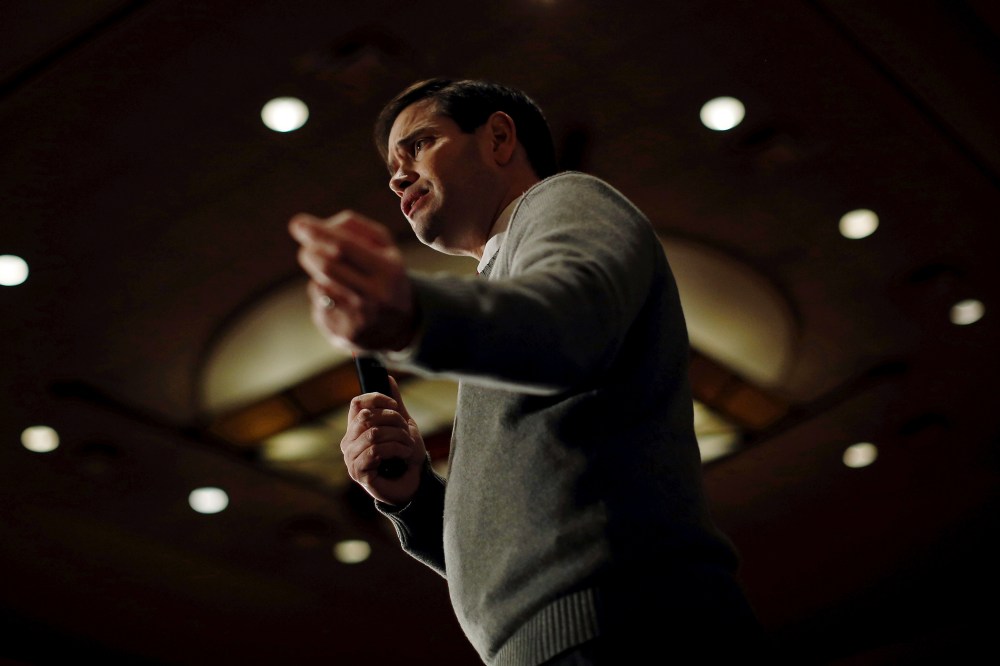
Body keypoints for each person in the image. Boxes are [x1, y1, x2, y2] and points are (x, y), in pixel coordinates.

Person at [289, 78, 768, 665]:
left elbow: (572, 322)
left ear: (498, 137)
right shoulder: (501, 297)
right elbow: (512, 553)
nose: (397, 176)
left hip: (629, 631)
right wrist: (411, 495)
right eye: (392, 165)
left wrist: (412, 313)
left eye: (419, 144)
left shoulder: (565, 198)